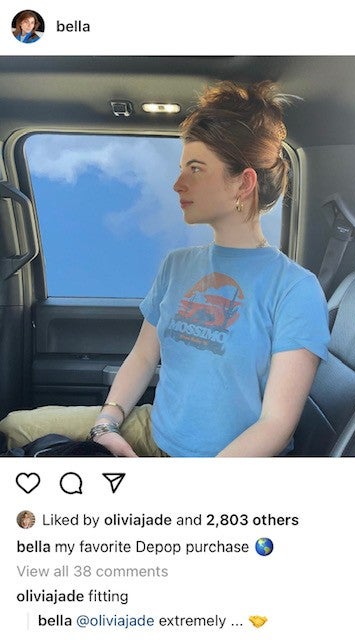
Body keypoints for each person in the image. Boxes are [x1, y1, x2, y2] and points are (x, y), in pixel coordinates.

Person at [0, 81, 330, 457]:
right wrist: (107, 424)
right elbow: (143, 357)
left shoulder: (295, 289)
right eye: (181, 168)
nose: (177, 184)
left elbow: (275, 424)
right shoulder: (177, 265)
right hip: (154, 432)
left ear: (244, 183)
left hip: (228, 462)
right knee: (13, 429)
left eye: (196, 169)